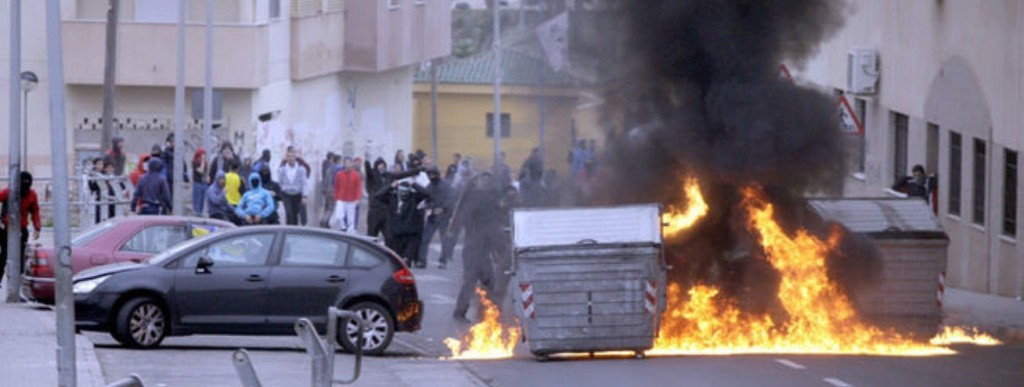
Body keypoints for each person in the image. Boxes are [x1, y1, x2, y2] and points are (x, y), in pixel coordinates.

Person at [452, 173, 502, 323]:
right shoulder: (480, 200)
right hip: (475, 250)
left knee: (487, 281)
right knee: (471, 281)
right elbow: (491, 225)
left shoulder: (473, 199)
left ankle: (488, 312)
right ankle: (462, 312)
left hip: (478, 250)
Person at [375, 181, 430, 267]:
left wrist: (414, 184)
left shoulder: (414, 198)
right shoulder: (392, 198)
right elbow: (378, 195)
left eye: (405, 192)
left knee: (407, 260)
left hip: (410, 234)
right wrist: (391, 186)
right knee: (397, 261)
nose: (403, 194)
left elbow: (426, 193)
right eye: (401, 191)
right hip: (397, 233)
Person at [0, 171, 42, 285]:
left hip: (21, 229)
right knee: (3, 257)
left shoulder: (31, 194)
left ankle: (17, 285)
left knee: (21, 258)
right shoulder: (8, 192)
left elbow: (35, 211)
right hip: (6, 229)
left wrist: (37, 228)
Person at [420, 168, 457, 269]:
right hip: (432, 217)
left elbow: (451, 199)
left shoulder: (446, 186)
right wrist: (430, 209)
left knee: (444, 240)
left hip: (444, 217)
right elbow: (426, 199)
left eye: (432, 175)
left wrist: (442, 208)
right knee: (425, 239)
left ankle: (443, 261)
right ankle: (422, 261)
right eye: (430, 175)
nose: (431, 177)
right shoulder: (429, 187)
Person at [278, 147, 309, 225]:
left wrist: (305, 196)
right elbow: (280, 182)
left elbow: (304, 183)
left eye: (292, 156)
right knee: (289, 213)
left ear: (295, 157)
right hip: (286, 194)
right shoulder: (282, 170)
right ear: (286, 158)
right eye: (288, 156)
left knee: (295, 214)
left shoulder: (301, 170)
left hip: (297, 194)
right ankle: (288, 230)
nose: (290, 158)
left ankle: (295, 231)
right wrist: (283, 189)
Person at [332, 157, 362, 233]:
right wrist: (336, 197)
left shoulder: (356, 175)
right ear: (344, 164)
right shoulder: (339, 174)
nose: (347, 165)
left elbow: (358, 187)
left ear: (352, 164)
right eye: (346, 163)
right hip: (341, 198)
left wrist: (358, 198)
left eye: (349, 163)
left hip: (351, 199)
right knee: (339, 216)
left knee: (351, 218)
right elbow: (336, 186)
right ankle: (343, 227)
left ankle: (350, 232)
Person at [192, 147, 208, 216]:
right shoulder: (195, 162)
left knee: (202, 201)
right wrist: (202, 162)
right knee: (197, 201)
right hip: (197, 183)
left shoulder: (205, 163)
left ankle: (200, 213)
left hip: (203, 183)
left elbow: (205, 172)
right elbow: (201, 171)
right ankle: (197, 214)